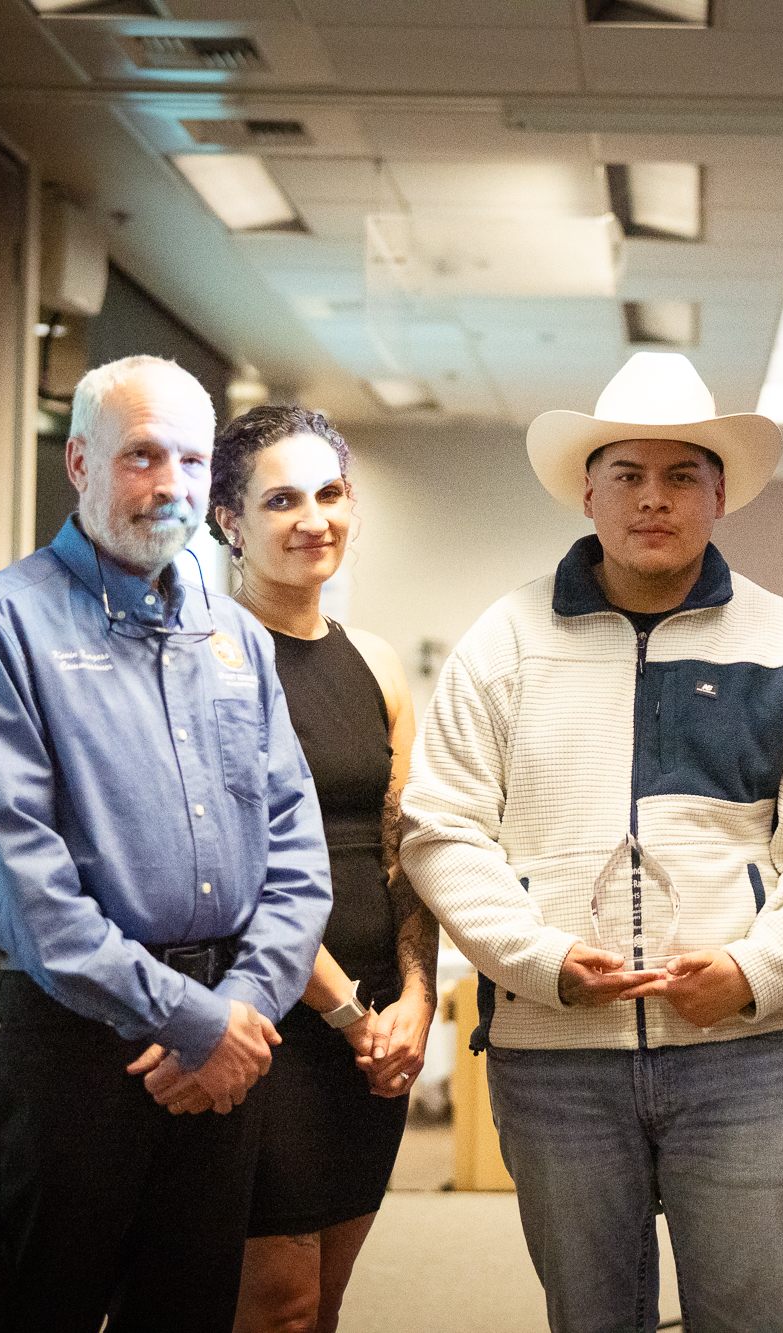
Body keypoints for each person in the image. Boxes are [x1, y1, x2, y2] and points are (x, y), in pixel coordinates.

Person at [400, 351, 783, 1333]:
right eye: (627, 474)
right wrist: (538, 963)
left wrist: (750, 969)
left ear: (719, 495)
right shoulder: (502, 643)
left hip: (740, 1054)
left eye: (680, 476)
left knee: (756, 1315)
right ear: (586, 490)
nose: (652, 500)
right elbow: (441, 832)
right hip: (552, 1055)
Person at [0, 355, 333, 1331]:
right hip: (76, 1038)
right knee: (54, 1307)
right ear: (78, 461)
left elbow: (295, 849)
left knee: (190, 1309)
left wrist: (236, 1007)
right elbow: (22, 887)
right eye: (142, 456)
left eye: (192, 461)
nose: (172, 486)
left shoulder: (236, 637)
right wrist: (195, 1023)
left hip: (229, 1032)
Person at [208, 405, 438, 1333]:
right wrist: (348, 1013)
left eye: (332, 493)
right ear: (229, 520)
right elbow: (239, 874)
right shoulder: (206, 660)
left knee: (326, 1302)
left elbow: (404, 848)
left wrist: (418, 997)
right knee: (278, 1306)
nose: (316, 519)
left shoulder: (375, 662)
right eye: (282, 499)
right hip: (267, 1020)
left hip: (377, 1029)